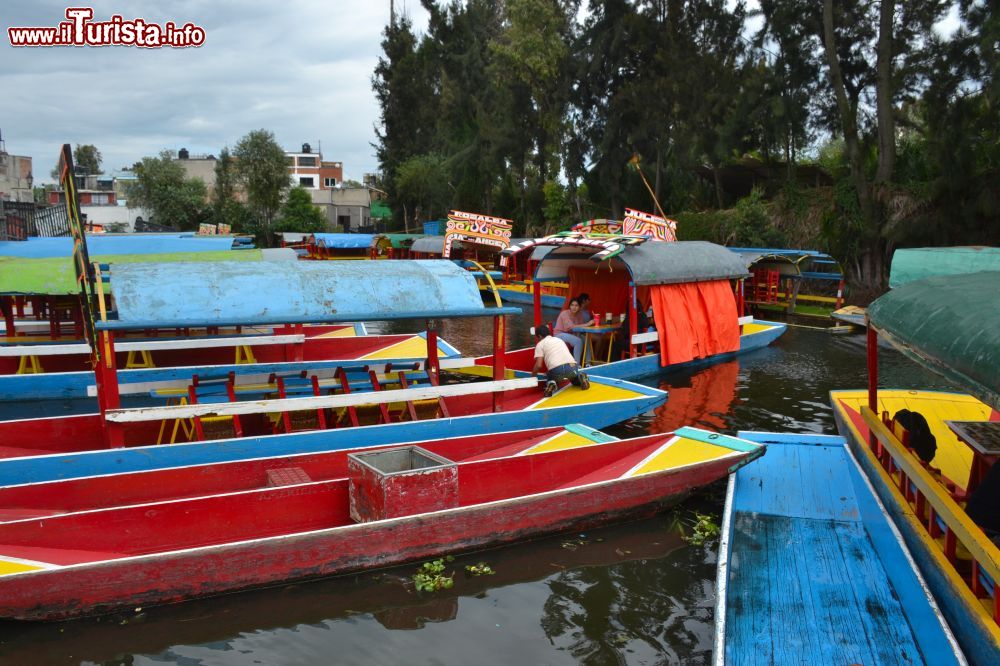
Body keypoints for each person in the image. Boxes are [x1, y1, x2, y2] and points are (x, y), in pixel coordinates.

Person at [532, 325, 591, 396]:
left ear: (540, 336)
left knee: (550, 376)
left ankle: (551, 384)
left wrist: (533, 376)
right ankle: (581, 377)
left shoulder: (540, 344)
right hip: (572, 366)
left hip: (557, 370)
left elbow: (539, 365)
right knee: (574, 380)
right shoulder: (559, 340)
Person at [553, 297, 594, 365]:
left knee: (586, 339)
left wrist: (588, 325)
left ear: (580, 307)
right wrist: (587, 324)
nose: (574, 307)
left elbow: (580, 327)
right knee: (578, 341)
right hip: (560, 334)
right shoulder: (565, 313)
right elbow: (570, 327)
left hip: (572, 334)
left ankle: (588, 363)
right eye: (572, 305)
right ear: (569, 306)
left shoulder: (579, 314)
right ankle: (577, 365)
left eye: (576, 305)